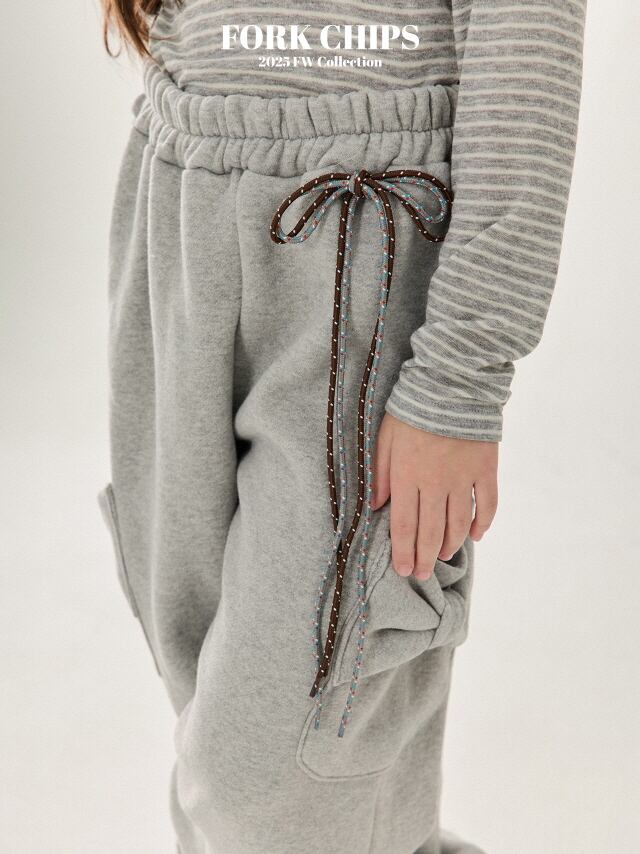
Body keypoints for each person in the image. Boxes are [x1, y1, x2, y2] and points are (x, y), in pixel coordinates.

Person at [98, 2, 586, 852]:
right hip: (178, 195)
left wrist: (458, 379)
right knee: (211, 696)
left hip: (365, 245)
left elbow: (527, 70)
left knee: (286, 766)